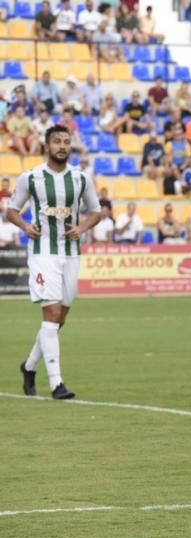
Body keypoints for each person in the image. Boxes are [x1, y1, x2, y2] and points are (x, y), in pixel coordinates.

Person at [5, 125, 102, 400]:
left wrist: (81, 228)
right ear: (47, 146)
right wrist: (25, 227)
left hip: (70, 252)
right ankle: (57, 383)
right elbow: (12, 210)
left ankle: (28, 366)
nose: (62, 146)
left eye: (66, 141)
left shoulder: (81, 178)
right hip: (42, 252)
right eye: (57, 141)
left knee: (59, 320)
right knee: (50, 316)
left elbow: (96, 212)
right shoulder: (31, 178)